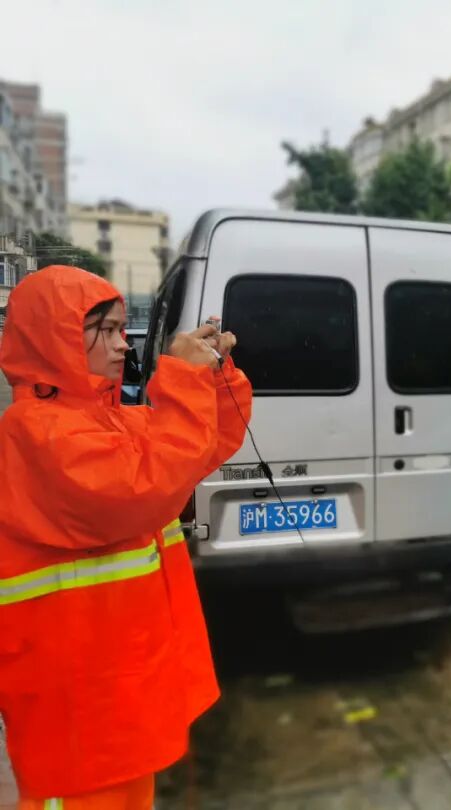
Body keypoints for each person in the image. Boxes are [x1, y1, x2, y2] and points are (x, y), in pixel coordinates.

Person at [0, 265, 253, 809]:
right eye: (106, 330)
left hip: (117, 689)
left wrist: (213, 376)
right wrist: (181, 380)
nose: (123, 344)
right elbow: (142, 489)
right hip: (78, 710)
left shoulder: (108, 423)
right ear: (55, 338)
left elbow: (201, 446)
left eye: (121, 329)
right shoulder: (35, 431)